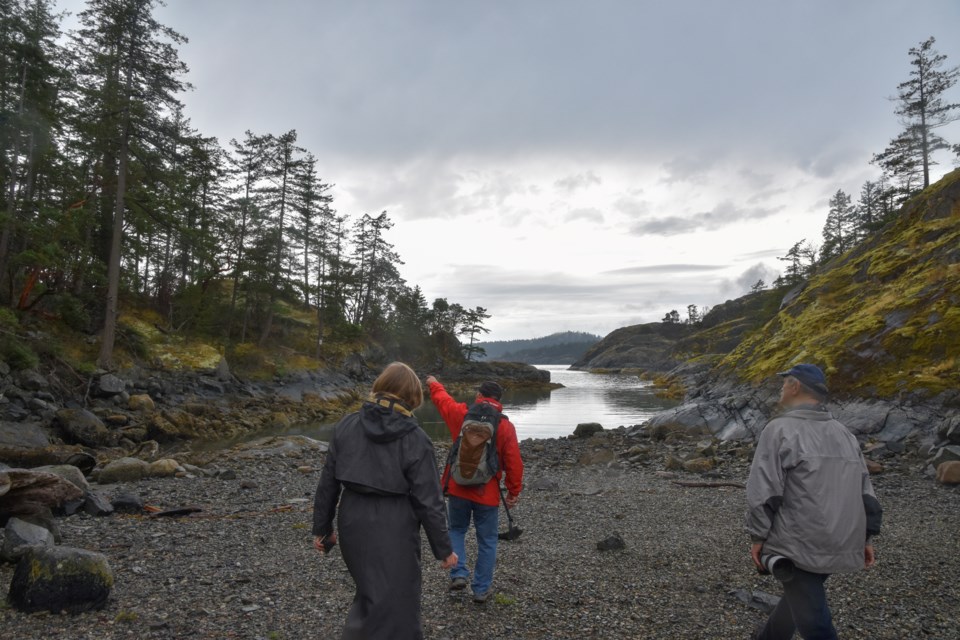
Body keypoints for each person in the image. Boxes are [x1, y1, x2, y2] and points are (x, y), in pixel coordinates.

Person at [313, 362, 457, 640]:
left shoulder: (347, 424)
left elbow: (328, 481)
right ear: (413, 397)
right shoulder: (416, 438)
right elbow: (429, 500)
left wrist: (323, 527)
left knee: (370, 591)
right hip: (394, 523)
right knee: (397, 598)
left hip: (352, 517)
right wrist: (444, 548)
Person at [745, 363, 883, 640]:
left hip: (799, 541)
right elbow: (865, 490)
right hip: (842, 536)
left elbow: (765, 489)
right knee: (800, 597)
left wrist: (758, 536)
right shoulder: (843, 433)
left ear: (795, 386)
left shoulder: (779, 429)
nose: (781, 389)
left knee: (815, 623)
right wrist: (865, 537)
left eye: (784, 384)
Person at [424, 375, 523, 603]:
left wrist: (433, 383)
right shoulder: (505, 425)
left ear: (479, 396)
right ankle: (481, 590)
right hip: (486, 495)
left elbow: (443, 400)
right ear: (500, 401)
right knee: (487, 541)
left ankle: (458, 573)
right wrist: (513, 491)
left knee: (456, 530)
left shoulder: (462, 415)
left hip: (457, 488)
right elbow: (514, 463)